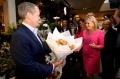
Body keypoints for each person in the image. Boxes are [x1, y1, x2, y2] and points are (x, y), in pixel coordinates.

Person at [10, 2, 63, 79]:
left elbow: (40, 48)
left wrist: (57, 49)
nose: (39, 18)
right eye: (38, 15)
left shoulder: (32, 31)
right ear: (29, 15)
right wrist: (53, 65)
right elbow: (28, 66)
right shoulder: (19, 36)